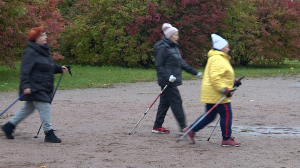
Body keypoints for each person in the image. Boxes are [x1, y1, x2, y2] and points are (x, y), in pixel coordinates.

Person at [1, 27, 68, 143]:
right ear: (36, 38)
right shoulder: (30, 52)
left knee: (28, 109)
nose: (46, 37)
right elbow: (25, 71)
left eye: (45, 35)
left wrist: (58, 68)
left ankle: (8, 126)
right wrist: (26, 86)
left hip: (42, 86)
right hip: (35, 87)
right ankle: (49, 133)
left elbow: (47, 67)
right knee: (45, 107)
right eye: (43, 35)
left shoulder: (43, 51)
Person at [183, 34, 241, 146]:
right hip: (217, 93)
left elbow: (221, 76)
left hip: (213, 92)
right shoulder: (218, 59)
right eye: (227, 46)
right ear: (221, 47)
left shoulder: (218, 58)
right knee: (226, 113)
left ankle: (191, 130)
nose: (228, 49)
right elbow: (215, 78)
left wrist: (233, 82)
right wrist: (224, 90)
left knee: (210, 115)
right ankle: (226, 138)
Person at [152, 23, 202, 134]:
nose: (177, 37)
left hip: (171, 80)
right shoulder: (163, 48)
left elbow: (181, 63)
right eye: (175, 35)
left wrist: (195, 72)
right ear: (170, 36)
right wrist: (168, 77)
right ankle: (184, 128)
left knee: (165, 102)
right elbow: (158, 66)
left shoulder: (173, 47)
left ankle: (157, 126)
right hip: (167, 81)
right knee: (176, 101)